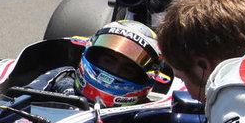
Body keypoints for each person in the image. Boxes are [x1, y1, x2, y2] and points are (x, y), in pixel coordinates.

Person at [34, 20, 164, 106]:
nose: (114, 70)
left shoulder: (147, 117)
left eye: (127, 70)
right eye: (108, 61)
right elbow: (17, 99)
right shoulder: (60, 79)